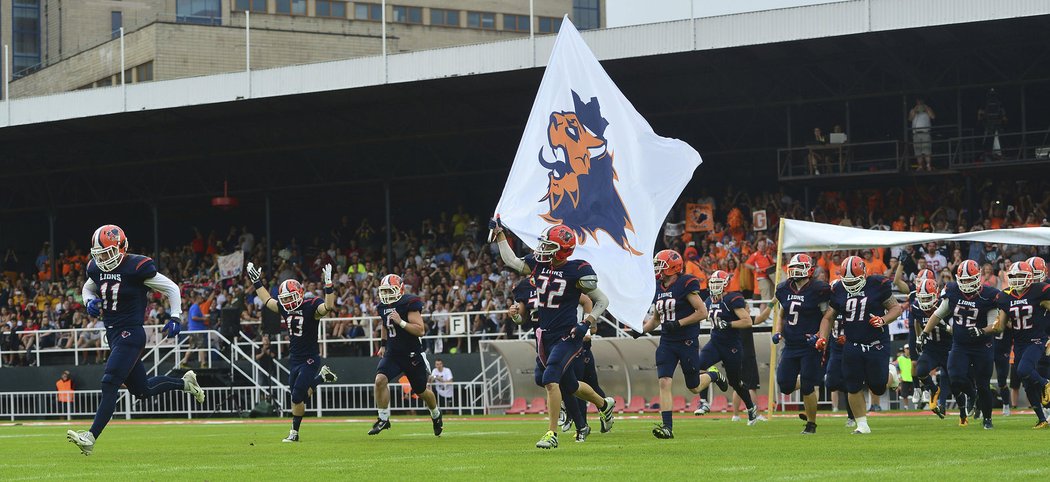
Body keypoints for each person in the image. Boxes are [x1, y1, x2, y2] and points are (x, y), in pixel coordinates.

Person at [67, 225, 204, 456]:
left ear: (121, 247)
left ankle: (90, 437)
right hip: (113, 334)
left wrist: (175, 316)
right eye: (99, 254)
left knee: (109, 382)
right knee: (143, 390)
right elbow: (88, 287)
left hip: (130, 333)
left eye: (107, 253)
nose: (102, 259)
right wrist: (88, 301)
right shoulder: (95, 267)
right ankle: (185, 383)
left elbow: (171, 288)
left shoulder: (136, 266)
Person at [492, 219, 615, 449]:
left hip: (567, 335)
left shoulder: (576, 270)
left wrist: (587, 323)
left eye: (549, 246)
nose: (543, 249)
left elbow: (602, 300)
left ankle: (551, 433)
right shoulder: (538, 265)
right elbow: (512, 261)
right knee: (569, 385)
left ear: (562, 251)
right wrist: (500, 234)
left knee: (550, 380)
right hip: (545, 335)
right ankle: (604, 404)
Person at [247, 261, 338, 443]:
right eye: (285, 299)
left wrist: (328, 286)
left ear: (300, 294)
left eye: (290, 298)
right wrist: (257, 282)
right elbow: (267, 300)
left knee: (297, 395)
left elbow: (327, 308)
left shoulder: (311, 305)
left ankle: (294, 432)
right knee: (298, 397)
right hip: (294, 358)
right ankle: (321, 379)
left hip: (310, 358)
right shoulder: (285, 307)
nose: (287, 302)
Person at [818, 256, 902, 434]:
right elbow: (828, 317)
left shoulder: (877, 284)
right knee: (852, 384)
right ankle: (862, 425)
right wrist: (822, 338)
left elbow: (896, 308)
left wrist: (883, 320)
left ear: (864, 274)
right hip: (852, 343)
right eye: (847, 281)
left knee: (877, 387)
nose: (851, 284)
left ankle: (891, 373)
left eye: (854, 280)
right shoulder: (839, 288)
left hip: (876, 342)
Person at [921, 259, 1002, 429]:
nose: (965, 283)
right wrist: (924, 332)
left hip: (982, 346)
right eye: (962, 279)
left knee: (983, 384)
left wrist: (982, 331)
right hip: (960, 344)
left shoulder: (989, 294)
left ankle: (987, 419)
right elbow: (938, 314)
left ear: (977, 277)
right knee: (955, 377)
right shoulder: (952, 290)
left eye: (968, 279)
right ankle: (972, 396)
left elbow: (994, 324)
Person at [642, 250, 714, 439]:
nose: (658, 268)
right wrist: (640, 330)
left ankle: (713, 375)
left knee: (694, 386)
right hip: (667, 342)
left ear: (673, 267)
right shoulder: (658, 287)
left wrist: (679, 323)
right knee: (664, 382)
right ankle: (667, 427)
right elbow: (657, 319)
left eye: (661, 264)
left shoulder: (685, 283)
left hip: (686, 341)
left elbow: (702, 312)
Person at [758, 253, 832, 434]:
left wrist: (820, 337)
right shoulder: (784, 288)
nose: (796, 271)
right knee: (785, 384)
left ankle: (811, 424)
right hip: (791, 344)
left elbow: (826, 317)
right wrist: (777, 331)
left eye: (800, 268)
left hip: (809, 344)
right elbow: (782, 313)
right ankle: (805, 380)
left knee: (807, 386)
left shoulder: (818, 289)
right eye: (794, 268)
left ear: (809, 270)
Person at [368, 274, 444, 437]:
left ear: (400, 289)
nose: (387, 294)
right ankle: (383, 419)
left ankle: (436, 414)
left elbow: (420, 330)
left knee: (422, 391)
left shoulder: (408, 302)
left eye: (390, 290)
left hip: (411, 355)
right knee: (380, 380)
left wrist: (400, 322)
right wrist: (382, 344)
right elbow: (384, 324)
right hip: (393, 353)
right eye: (384, 291)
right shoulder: (383, 306)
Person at [994, 261, 1050, 429]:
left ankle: (1046, 384)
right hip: (1019, 343)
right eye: (1014, 276)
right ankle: (1042, 419)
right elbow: (1001, 325)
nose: (1017, 280)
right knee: (1026, 384)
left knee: (1024, 370)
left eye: (1021, 276)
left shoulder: (1038, 291)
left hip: (1036, 340)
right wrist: (988, 328)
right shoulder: (1005, 296)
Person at [911, 278, 953, 419]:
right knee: (920, 370)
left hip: (949, 347)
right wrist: (919, 338)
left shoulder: (945, 304)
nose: (925, 301)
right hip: (931, 348)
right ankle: (934, 390)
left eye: (928, 298)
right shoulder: (916, 307)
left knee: (954, 377)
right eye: (922, 298)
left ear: (936, 294)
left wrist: (944, 326)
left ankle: (953, 406)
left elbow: (956, 330)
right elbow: (917, 322)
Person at [909, 97, 936, 171]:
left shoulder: (928, 109)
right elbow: (910, 118)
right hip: (916, 133)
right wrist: (915, 109)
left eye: (921, 101)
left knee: (927, 150)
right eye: (918, 101)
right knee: (918, 151)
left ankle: (928, 166)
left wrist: (926, 108)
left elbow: (933, 116)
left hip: (925, 132)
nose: (920, 103)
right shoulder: (913, 110)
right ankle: (920, 166)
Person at [744, 240, 774, 308]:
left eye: (763, 246)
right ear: (757, 247)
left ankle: (769, 314)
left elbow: (772, 265)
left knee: (771, 297)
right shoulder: (755, 255)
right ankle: (763, 316)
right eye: (760, 246)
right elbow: (746, 264)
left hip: (769, 277)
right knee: (765, 299)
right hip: (762, 278)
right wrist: (755, 268)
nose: (762, 247)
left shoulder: (767, 255)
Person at [897, 346, 914, 410]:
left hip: (913, 378)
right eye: (907, 349)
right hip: (904, 378)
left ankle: (915, 406)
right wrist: (899, 377)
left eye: (909, 349)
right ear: (904, 350)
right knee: (904, 395)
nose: (908, 350)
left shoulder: (913, 358)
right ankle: (906, 407)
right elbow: (897, 367)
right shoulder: (900, 358)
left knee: (914, 394)